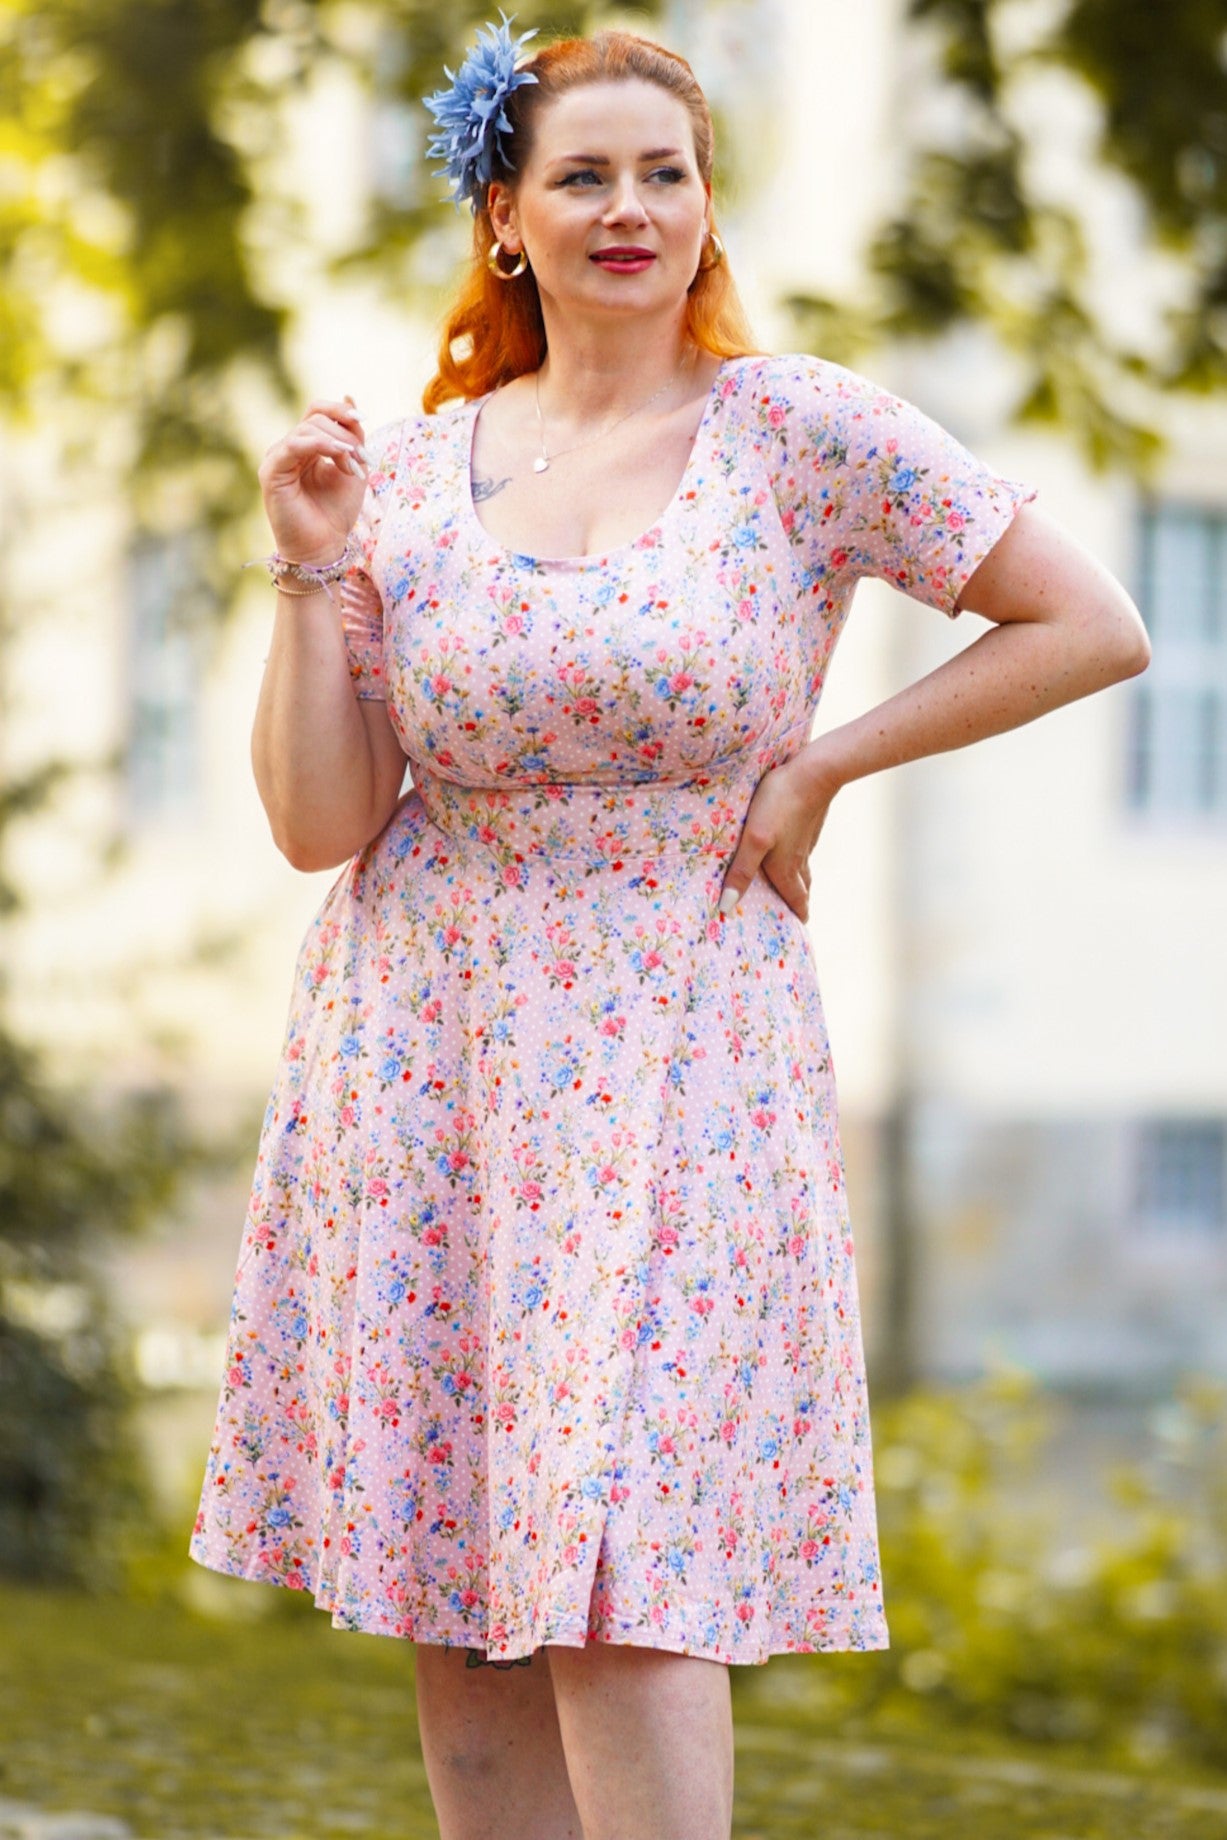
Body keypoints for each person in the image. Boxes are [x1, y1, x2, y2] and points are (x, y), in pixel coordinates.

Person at [188, 17, 1150, 1840]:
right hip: (429, 1050)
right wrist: (310, 562)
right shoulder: (405, 471)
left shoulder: (799, 430)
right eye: (584, 175)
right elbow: (323, 820)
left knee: (632, 1573)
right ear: (507, 217)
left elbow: (1089, 622)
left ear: (708, 206)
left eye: (667, 172)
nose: (631, 209)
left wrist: (827, 768)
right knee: (465, 1584)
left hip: (682, 1042)